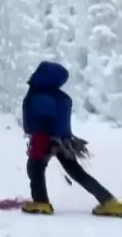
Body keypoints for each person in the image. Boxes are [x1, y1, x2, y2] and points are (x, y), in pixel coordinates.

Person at [21, 61, 121, 217]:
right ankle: (108, 201)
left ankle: (40, 202)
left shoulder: (41, 95)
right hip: (63, 141)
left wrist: (40, 144)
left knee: (36, 168)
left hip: (43, 138)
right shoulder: (60, 96)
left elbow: (45, 120)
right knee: (77, 172)